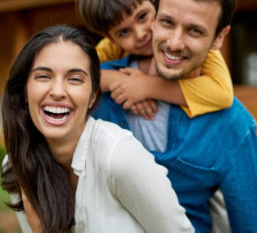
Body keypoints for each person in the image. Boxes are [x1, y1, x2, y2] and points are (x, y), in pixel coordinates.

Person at [91, 0, 257, 233]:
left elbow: (249, 223)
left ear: (219, 38)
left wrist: (148, 87)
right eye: (167, 22)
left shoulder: (233, 127)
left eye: (195, 30)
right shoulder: (93, 87)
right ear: (155, 10)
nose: (174, 43)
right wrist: (109, 80)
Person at [1, 25, 194, 233]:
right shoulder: (16, 165)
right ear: (24, 90)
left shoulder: (119, 156)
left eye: (75, 79)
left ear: (93, 95)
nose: (58, 91)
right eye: (43, 76)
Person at [77, 0, 233, 120]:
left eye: (142, 17)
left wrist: (148, 87)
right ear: (112, 39)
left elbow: (222, 94)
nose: (140, 34)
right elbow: (72, 72)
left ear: (157, 2)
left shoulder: (197, 46)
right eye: (124, 32)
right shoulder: (111, 47)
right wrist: (119, 82)